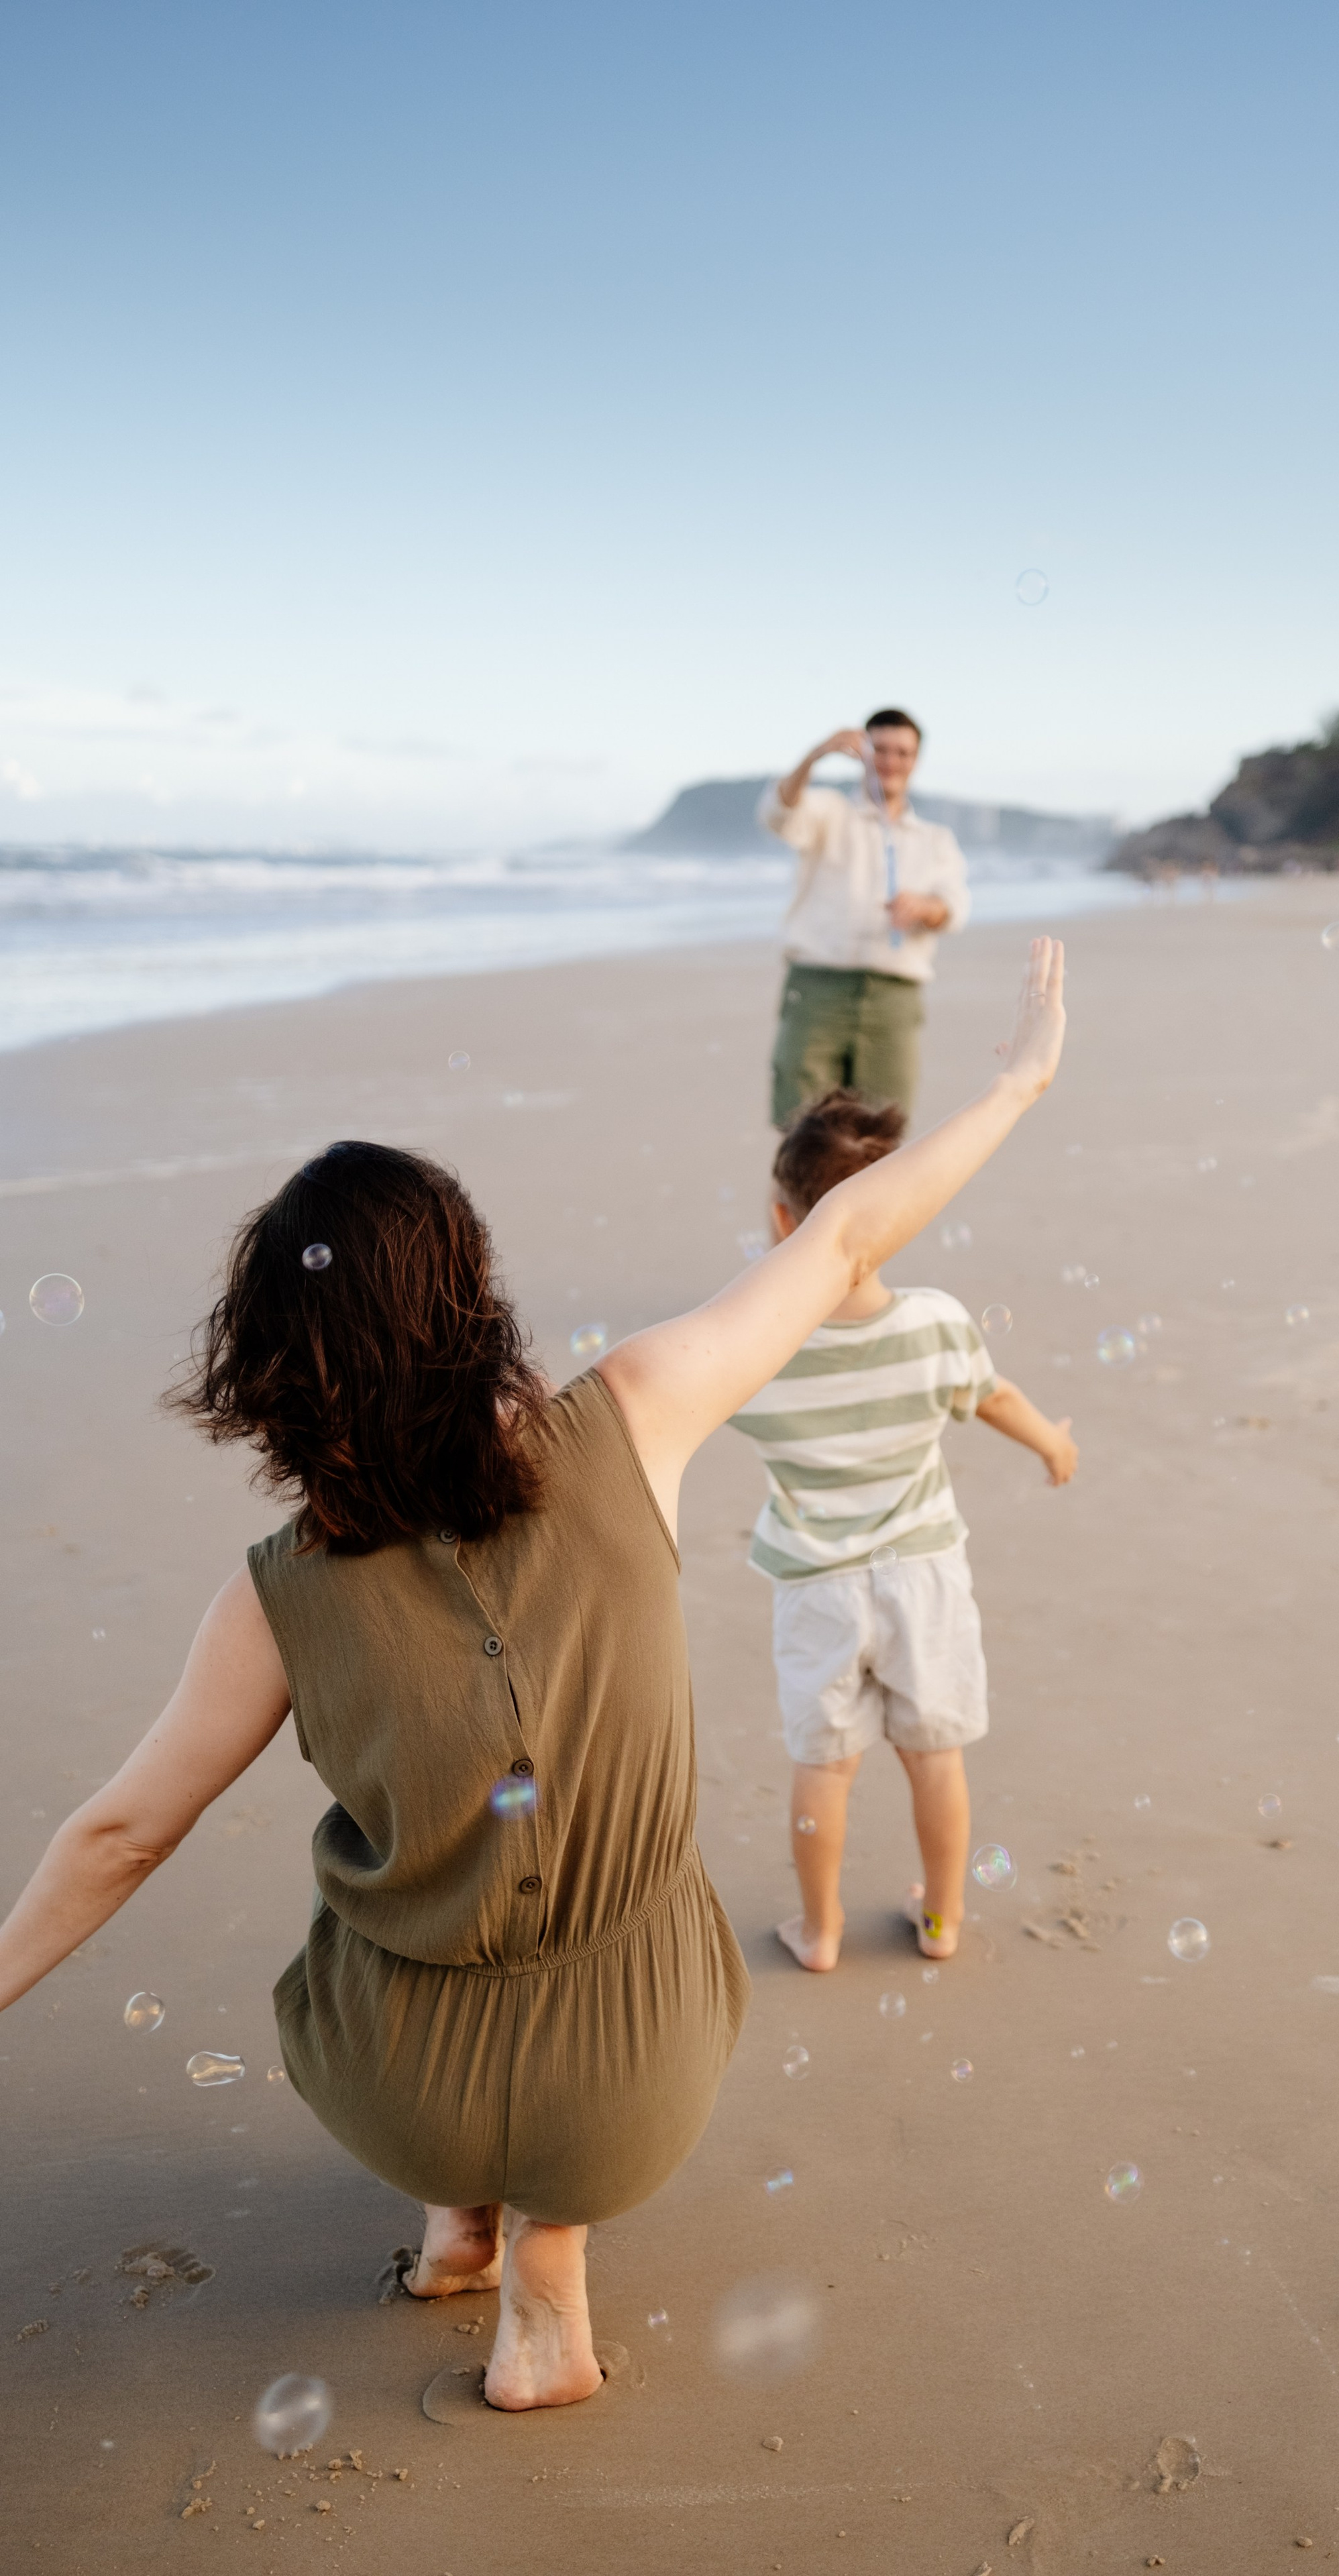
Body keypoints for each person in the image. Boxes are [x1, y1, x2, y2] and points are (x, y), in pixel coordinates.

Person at [0, 938, 1066, 2416]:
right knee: (626, 1882)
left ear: (280, 1362)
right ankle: (545, 2294)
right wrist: (1016, 1081)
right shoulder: (632, 1416)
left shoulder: (273, 1599)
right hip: (632, 2085)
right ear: (472, 1297)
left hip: (396, 2092)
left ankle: (454, 2216)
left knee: (365, 1877)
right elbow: (834, 1245)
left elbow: (123, 1833)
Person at [729, 1087, 1080, 1974]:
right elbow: (995, 1397)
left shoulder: (759, 1348)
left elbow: (682, 1409)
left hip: (817, 1586)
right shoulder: (934, 1324)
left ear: (782, 1221)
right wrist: (1052, 1442)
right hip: (923, 1576)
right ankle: (944, 1921)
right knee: (936, 1757)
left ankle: (821, 1930)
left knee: (826, 1768)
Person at [761, 708, 971, 1130]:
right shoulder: (829, 812)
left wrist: (926, 908)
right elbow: (779, 814)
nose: (891, 761)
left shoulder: (935, 840)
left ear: (915, 760)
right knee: (800, 1137)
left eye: (903, 752)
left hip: (894, 997)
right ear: (862, 752)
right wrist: (815, 755)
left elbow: (955, 906)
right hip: (818, 989)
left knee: (881, 1140)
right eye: (881, 749)